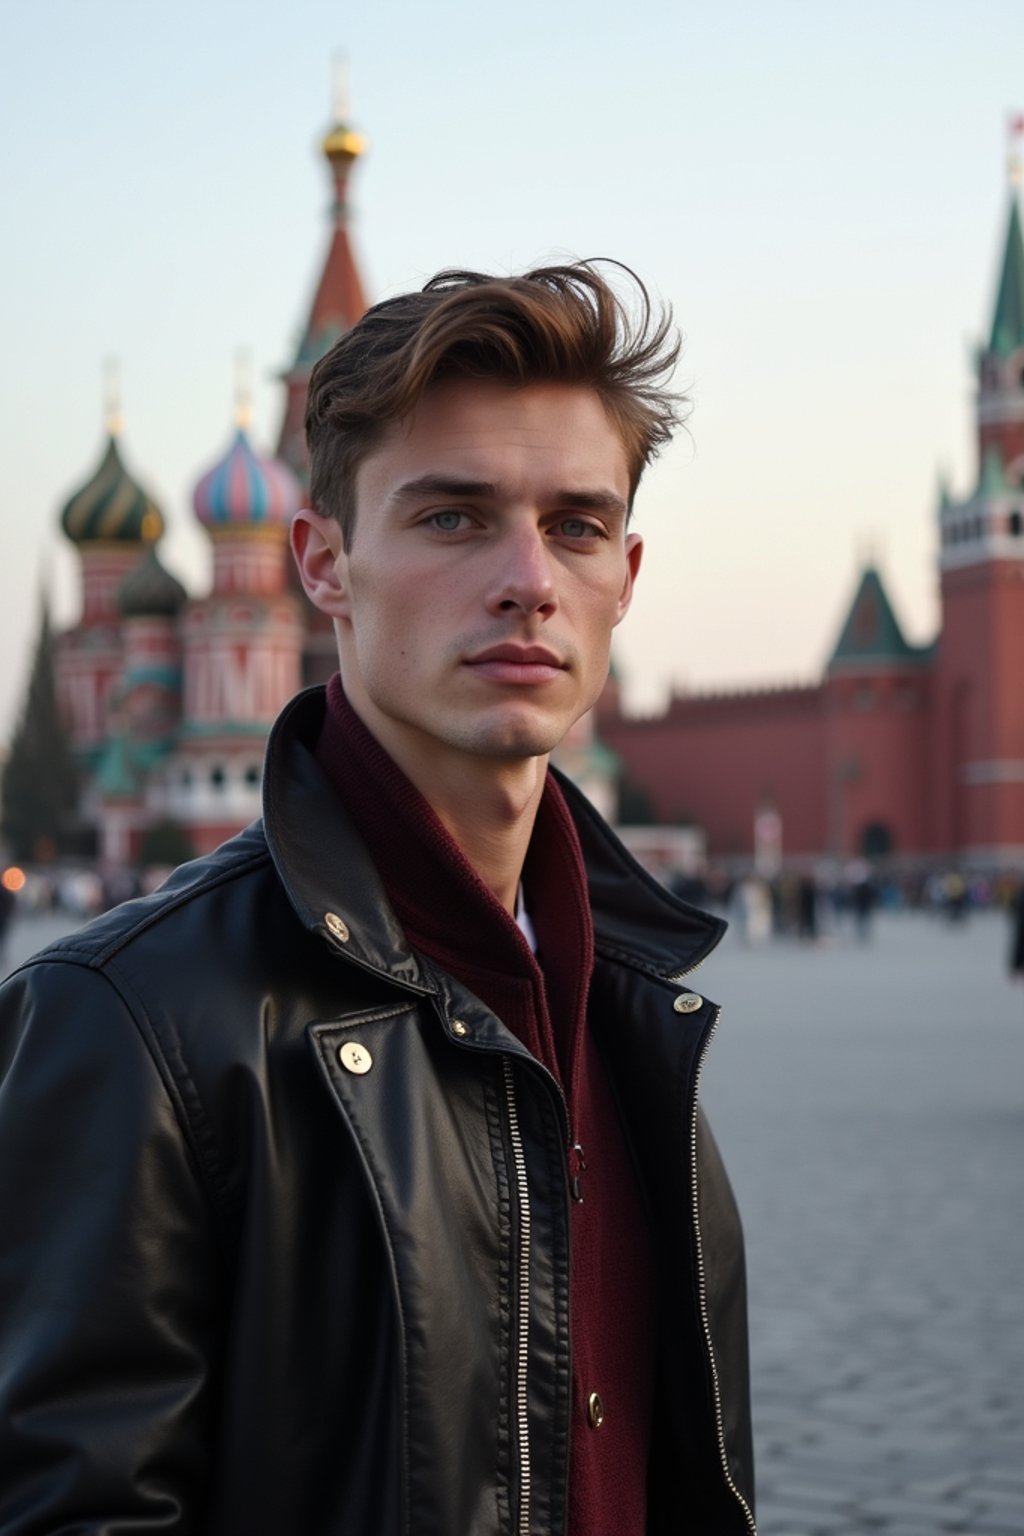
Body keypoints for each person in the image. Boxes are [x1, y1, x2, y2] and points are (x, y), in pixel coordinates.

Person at [0, 264, 755, 1535]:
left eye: (574, 525)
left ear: (624, 575)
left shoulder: (641, 1014)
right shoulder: (132, 1026)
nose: (527, 578)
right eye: (453, 519)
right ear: (322, 565)